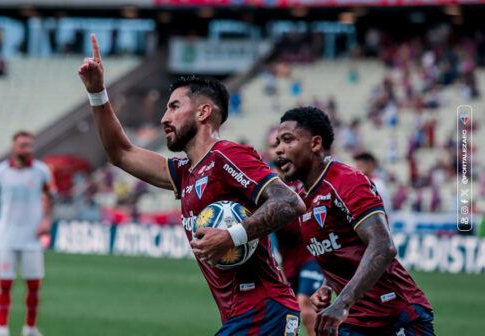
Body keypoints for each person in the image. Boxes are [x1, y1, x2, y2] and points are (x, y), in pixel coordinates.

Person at [78, 34, 306, 335]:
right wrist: (98, 94)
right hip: (247, 315)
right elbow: (121, 153)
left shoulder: (227, 156)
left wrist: (231, 236)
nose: (164, 118)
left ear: (203, 112)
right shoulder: (186, 172)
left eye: (173, 107)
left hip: (264, 310)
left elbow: (290, 202)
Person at [274, 106, 434, 336]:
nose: (279, 149)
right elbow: (340, 251)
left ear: (315, 143)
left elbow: (383, 245)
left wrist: (342, 303)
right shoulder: (303, 200)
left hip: (396, 315)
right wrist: (328, 287)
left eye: (287, 140)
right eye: (278, 142)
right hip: (358, 321)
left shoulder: (346, 181)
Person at [0, 131, 54, 336]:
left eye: (30, 145)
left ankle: (30, 328)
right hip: (6, 237)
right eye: (23, 145)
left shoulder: (41, 170)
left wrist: (47, 219)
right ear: (13, 147)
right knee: (5, 283)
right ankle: (2, 328)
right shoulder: (0, 172)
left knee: (34, 285)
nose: (27, 149)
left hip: (32, 238)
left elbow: (52, 197)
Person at [265, 128, 323, 336]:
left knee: (306, 307)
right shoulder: (264, 181)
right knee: (291, 312)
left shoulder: (302, 175)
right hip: (289, 259)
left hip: (313, 253)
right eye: (274, 146)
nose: (279, 150)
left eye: (283, 144)